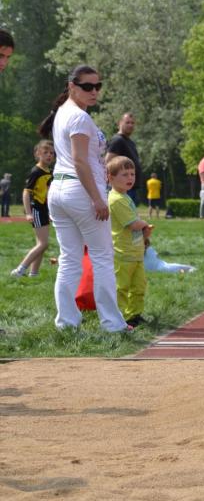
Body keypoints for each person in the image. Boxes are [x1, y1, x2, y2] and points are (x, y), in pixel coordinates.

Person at [40, 65, 129, 332]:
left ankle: (66, 323)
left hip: (59, 190)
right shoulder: (79, 117)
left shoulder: (62, 113)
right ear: (71, 86)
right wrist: (97, 199)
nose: (94, 91)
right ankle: (112, 323)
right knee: (102, 256)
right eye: (87, 86)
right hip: (80, 190)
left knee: (69, 258)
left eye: (97, 86)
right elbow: (80, 161)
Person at [108, 156, 152, 327]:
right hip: (123, 253)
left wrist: (144, 236)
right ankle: (118, 318)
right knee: (121, 288)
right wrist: (144, 224)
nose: (130, 178)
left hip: (135, 252)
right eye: (124, 174)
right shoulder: (116, 199)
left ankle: (134, 315)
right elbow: (133, 224)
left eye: (132, 174)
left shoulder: (125, 197)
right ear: (111, 178)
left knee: (139, 287)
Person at [11, 141, 55, 277]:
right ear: (37, 154)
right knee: (43, 244)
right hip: (36, 209)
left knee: (41, 244)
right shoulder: (36, 171)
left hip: (44, 210)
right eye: (45, 152)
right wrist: (28, 213)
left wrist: (50, 211)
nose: (49, 155)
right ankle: (19, 270)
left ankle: (34, 273)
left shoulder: (50, 172)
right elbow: (26, 192)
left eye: (51, 153)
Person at [106, 113, 143, 205]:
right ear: (120, 123)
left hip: (130, 188)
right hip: (121, 189)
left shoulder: (130, 142)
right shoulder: (117, 140)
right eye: (127, 122)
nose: (130, 125)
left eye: (132, 123)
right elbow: (107, 163)